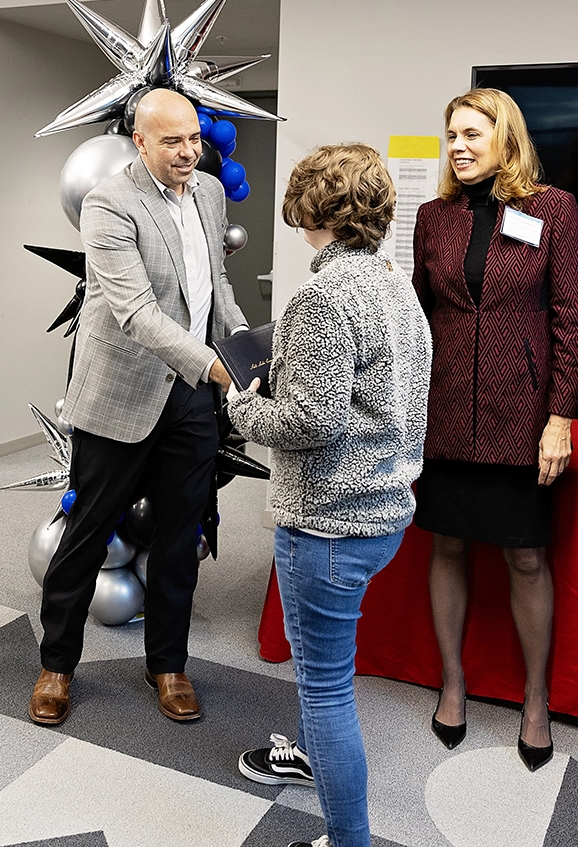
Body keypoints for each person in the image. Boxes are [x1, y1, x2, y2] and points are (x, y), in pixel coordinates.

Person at [230, 144, 431, 847]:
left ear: (314, 208)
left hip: (329, 526)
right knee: (329, 676)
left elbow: (311, 423)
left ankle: (350, 841)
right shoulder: (393, 281)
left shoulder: (323, 295)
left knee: (325, 686)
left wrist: (242, 407)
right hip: (382, 512)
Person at [29, 88, 247, 726]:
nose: (187, 152)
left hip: (190, 400)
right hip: (122, 393)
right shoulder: (109, 203)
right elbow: (134, 312)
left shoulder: (208, 193)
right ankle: (57, 666)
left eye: (193, 139)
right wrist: (212, 363)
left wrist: (245, 349)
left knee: (183, 535)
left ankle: (169, 665)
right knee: (88, 533)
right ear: (140, 142)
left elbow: (217, 286)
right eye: (171, 141)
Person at [412, 88, 578, 771]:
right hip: (446, 410)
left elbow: (569, 319)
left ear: (505, 137)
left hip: (522, 415)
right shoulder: (433, 216)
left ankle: (535, 699)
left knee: (526, 558)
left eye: (471, 133)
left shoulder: (553, 209)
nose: (456, 144)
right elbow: (418, 318)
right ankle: (453, 684)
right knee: (448, 544)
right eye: (450, 133)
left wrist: (560, 417)